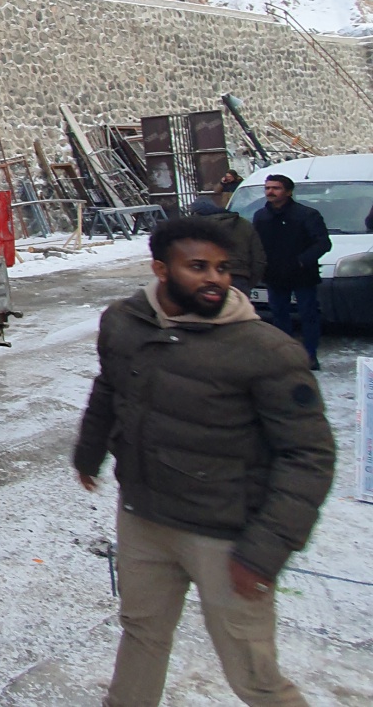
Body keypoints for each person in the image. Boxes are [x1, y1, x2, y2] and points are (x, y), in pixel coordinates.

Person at [74, 217, 335, 707]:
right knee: (141, 635)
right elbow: (110, 386)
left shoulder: (267, 351)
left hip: (225, 535)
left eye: (222, 268)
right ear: (161, 269)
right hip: (145, 520)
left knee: (253, 674)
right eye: (198, 267)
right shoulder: (124, 322)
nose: (215, 278)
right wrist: (89, 452)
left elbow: (309, 456)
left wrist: (264, 550)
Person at [250, 173, 332, 370]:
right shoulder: (261, 216)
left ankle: (310, 355)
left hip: (302, 276)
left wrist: (302, 261)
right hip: (274, 275)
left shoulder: (306, 215)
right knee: (279, 316)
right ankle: (285, 355)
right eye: (267, 188)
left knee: (308, 315)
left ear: (288, 192)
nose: (270, 192)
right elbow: (256, 243)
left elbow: (323, 243)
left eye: (275, 188)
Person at [186, 196, 267, 295]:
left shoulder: (192, 227)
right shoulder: (243, 224)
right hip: (239, 278)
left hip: (204, 279)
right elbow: (259, 259)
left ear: (195, 212)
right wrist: (249, 282)